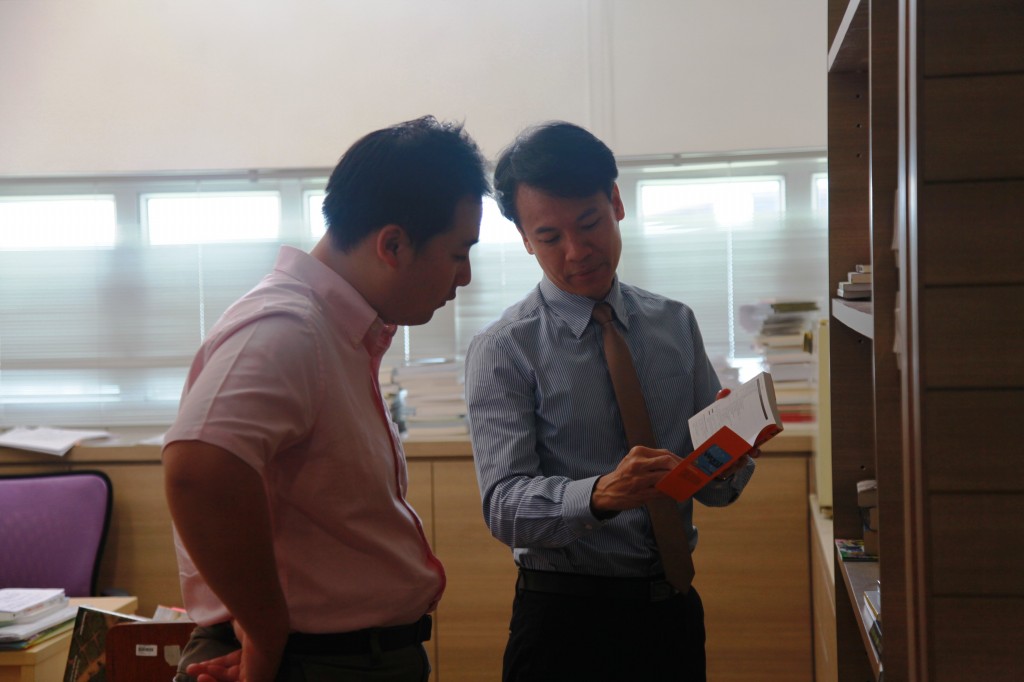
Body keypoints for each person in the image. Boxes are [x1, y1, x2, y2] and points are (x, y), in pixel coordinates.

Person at [162, 115, 489, 682]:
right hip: (311, 661)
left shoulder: (334, 333)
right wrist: (266, 633)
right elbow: (199, 468)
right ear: (393, 244)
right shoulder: (289, 328)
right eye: (459, 253)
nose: (464, 278)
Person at [464, 121, 758, 682]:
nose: (576, 251)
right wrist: (600, 494)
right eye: (549, 237)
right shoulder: (505, 348)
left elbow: (712, 487)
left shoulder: (675, 324)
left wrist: (730, 460)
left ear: (616, 203)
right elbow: (503, 506)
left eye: (589, 223)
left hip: (673, 613)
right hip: (564, 625)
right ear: (524, 239)